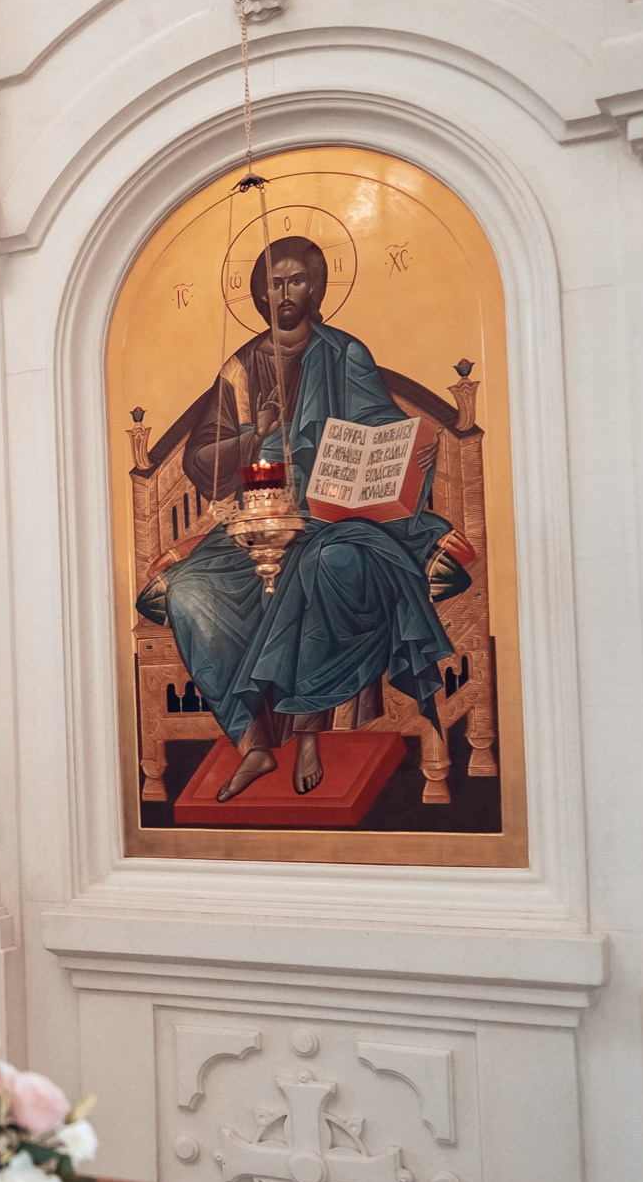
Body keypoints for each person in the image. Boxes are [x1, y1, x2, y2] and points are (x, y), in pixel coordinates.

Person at [144, 235, 456, 799]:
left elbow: (381, 430)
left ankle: (308, 730)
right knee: (190, 590)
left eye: (295, 280)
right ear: (259, 293)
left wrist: (413, 454)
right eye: (272, 282)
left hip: (338, 517)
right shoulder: (239, 369)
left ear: (316, 286)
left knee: (329, 565)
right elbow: (201, 462)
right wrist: (254, 436)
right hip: (258, 524)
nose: (283, 292)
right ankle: (254, 744)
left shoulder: (344, 355)